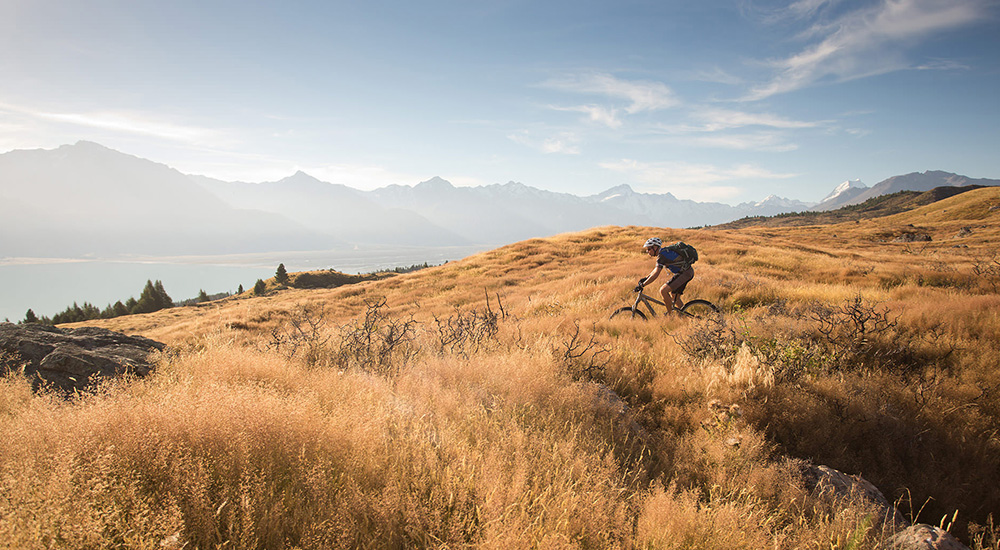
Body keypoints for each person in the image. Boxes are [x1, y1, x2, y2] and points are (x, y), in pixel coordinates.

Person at [636, 237, 694, 314]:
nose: (648, 251)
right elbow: (655, 270)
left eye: (649, 249)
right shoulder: (663, 253)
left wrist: (643, 285)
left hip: (685, 273)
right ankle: (685, 316)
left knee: (663, 291)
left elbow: (656, 273)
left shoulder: (662, 255)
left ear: (655, 247)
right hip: (686, 272)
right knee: (675, 297)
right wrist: (646, 278)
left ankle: (670, 316)